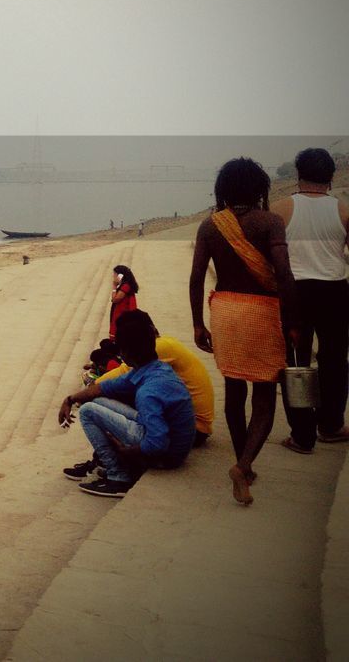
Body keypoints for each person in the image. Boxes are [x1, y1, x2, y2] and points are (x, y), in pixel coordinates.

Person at [190, 156, 297, 505]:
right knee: (264, 396)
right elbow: (282, 271)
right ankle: (244, 464)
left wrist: (197, 323)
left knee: (234, 392)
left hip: (224, 311)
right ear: (259, 189)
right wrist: (292, 319)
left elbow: (196, 278)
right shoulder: (270, 222)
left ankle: (242, 465)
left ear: (223, 190)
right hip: (261, 313)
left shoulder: (210, 226)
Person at [58, 310, 196, 498]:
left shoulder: (148, 393)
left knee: (88, 411)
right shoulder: (153, 368)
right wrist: (70, 399)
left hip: (168, 456)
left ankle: (118, 476)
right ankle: (111, 465)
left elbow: (157, 443)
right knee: (97, 401)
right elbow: (105, 388)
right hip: (172, 441)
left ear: (127, 352)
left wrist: (127, 453)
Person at [272, 147, 349, 451]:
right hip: (334, 291)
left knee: (294, 362)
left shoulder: (280, 209)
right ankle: (330, 425)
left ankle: (301, 435)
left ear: (298, 175)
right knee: (334, 361)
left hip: (294, 292)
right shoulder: (343, 210)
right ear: (331, 177)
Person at [96, 325, 215, 447]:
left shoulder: (159, 348)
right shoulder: (167, 342)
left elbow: (125, 372)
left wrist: (94, 385)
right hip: (195, 424)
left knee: (102, 402)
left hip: (194, 428)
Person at [109, 265, 139, 339]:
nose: (113, 276)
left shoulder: (125, 286)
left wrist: (114, 287)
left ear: (120, 275)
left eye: (115, 274)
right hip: (121, 312)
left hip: (122, 313)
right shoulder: (125, 285)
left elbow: (115, 299)